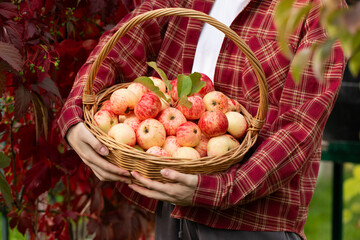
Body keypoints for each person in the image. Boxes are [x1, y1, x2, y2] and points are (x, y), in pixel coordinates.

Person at [57, 0, 347, 239]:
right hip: (173, 210)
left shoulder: (319, 9)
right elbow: (129, 37)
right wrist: (76, 113)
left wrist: (220, 187)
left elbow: (299, 129)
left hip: (251, 224)